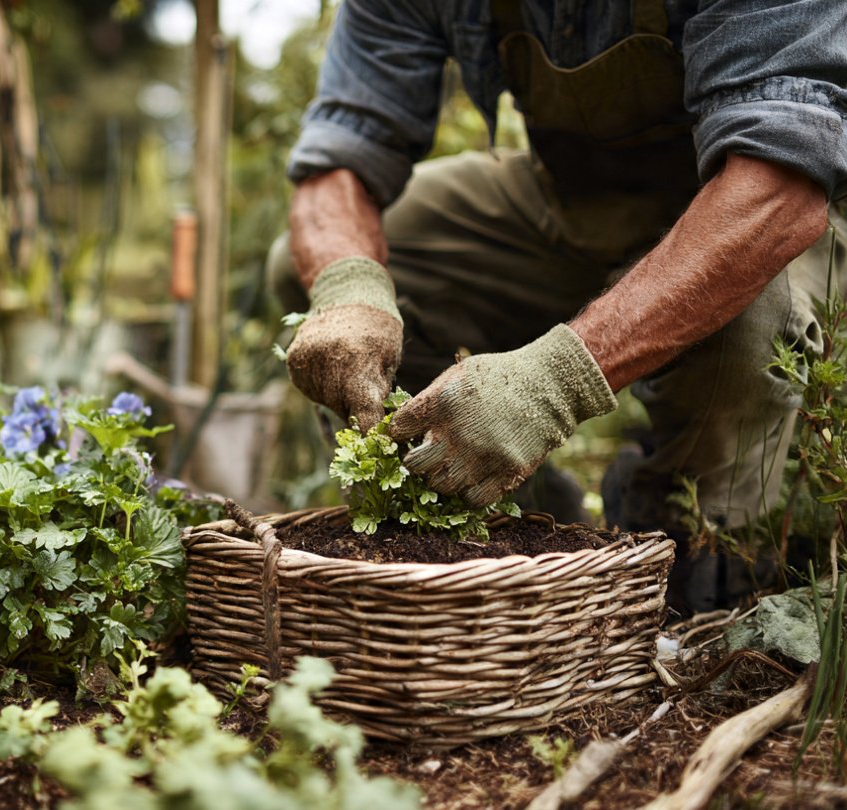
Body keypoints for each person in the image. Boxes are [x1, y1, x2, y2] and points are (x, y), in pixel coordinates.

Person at [273, 0, 847, 612]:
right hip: (571, 204)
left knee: (750, 323)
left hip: (747, 204)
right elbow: (342, 154)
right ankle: (515, 522)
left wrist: (555, 381)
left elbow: (781, 182)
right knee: (312, 262)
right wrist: (351, 290)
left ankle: (680, 557)